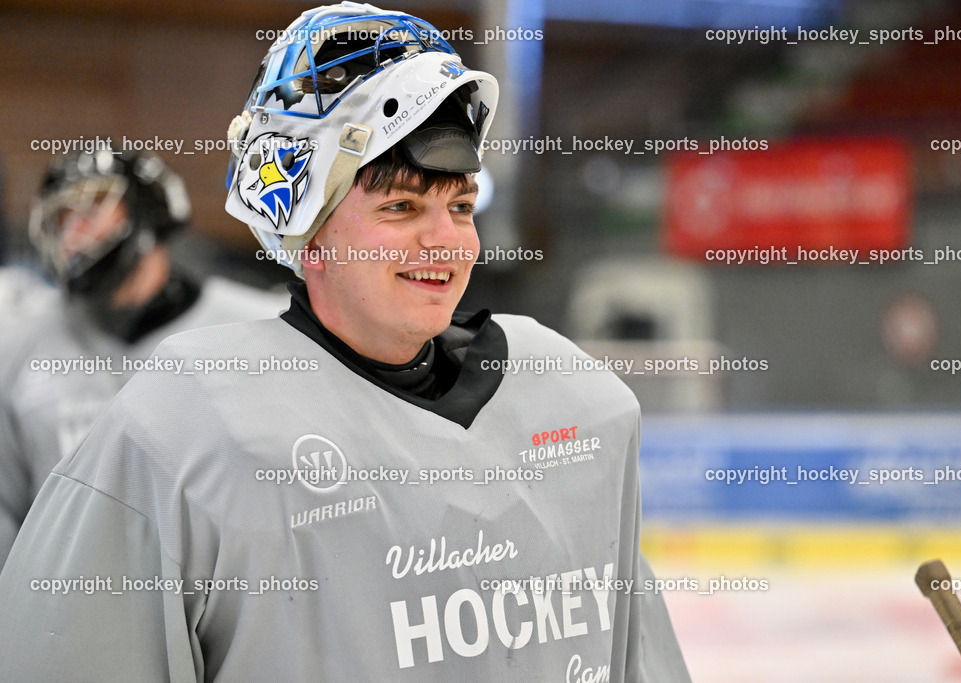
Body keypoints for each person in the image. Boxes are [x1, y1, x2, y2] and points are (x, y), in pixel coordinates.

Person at [0, 4, 690, 680]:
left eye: (459, 205)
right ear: (306, 227)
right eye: (400, 207)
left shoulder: (582, 403)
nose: (447, 240)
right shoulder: (183, 426)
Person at [0, 147, 288, 567]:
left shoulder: (259, 331)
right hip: (64, 601)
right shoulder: (19, 342)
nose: (74, 231)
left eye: (93, 207)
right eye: (62, 217)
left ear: (147, 210)